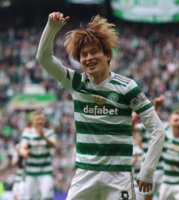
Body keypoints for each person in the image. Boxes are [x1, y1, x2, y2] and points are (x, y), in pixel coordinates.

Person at [36, 12, 165, 200]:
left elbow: (158, 130)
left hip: (118, 176)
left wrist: (147, 171)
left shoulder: (127, 87)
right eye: (84, 54)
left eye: (94, 51)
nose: (89, 58)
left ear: (107, 54)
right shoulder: (76, 82)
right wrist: (52, 28)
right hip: (84, 174)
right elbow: (43, 58)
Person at [132, 95, 168, 200]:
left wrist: (156, 107)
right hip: (148, 168)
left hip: (163, 169)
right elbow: (132, 127)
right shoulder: (143, 128)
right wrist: (140, 110)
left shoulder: (165, 127)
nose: (157, 114)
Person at [20, 110, 57, 200]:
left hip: (46, 171)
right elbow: (22, 148)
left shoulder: (49, 133)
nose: (40, 121)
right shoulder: (28, 134)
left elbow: (54, 144)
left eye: (42, 119)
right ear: (32, 121)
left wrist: (43, 136)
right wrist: (24, 152)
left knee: (46, 196)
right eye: (37, 119)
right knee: (29, 197)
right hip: (31, 172)